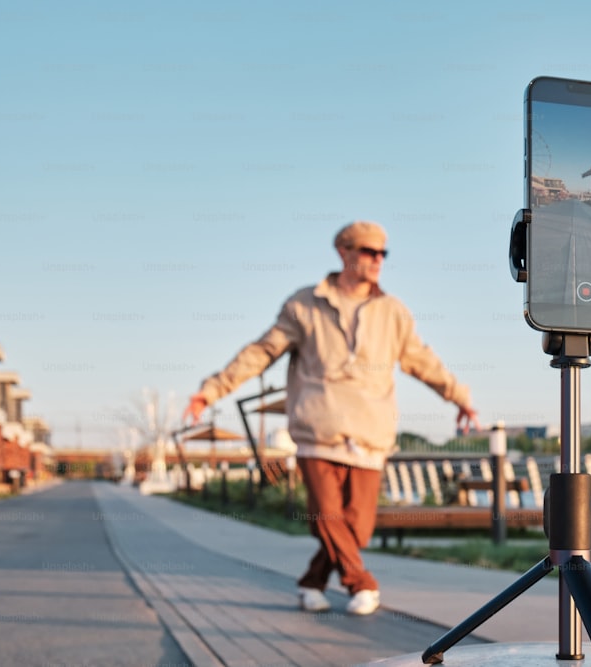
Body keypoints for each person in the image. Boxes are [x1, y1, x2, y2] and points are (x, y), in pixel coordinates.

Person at [183, 220, 481, 616]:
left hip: (370, 434)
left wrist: (460, 398)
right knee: (327, 517)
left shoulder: (393, 312)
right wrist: (212, 389)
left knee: (356, 528)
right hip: (316, 431)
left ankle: (311, 582)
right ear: (344, 253)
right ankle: (362, 584)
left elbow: (423, 361)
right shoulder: (304, 304)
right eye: (368, 252)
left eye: (382, 254)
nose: (377, 260)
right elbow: (260, 352)